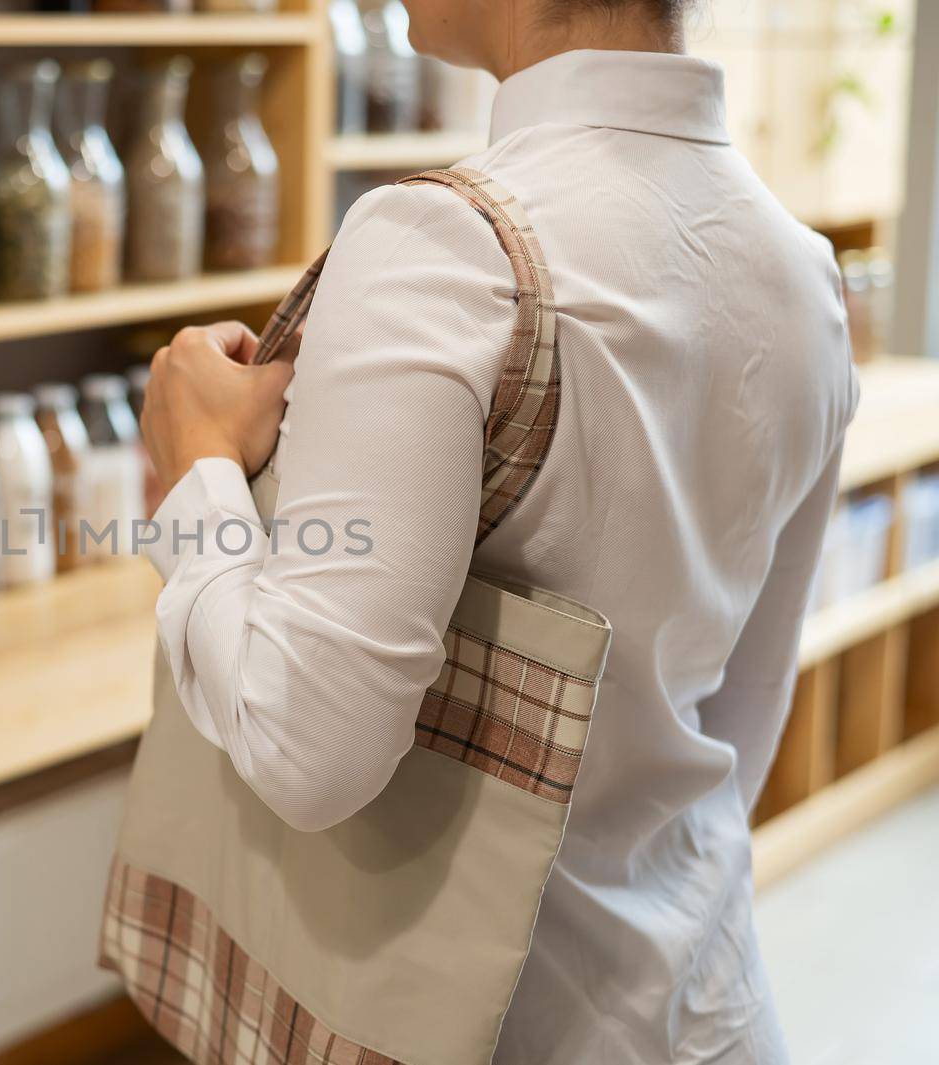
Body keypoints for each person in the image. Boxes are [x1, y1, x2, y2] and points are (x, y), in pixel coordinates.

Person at [135, 0, 859, 1061]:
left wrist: (196, 468)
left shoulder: (438, 245)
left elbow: (309, 752)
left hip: (486, 1020)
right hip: (707, 1000)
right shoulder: (806, 274)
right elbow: (739, 723)